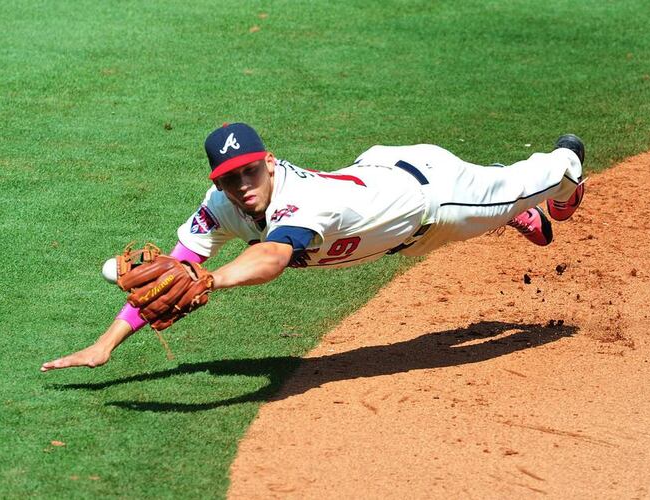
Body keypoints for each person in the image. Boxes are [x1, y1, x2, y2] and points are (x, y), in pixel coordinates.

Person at [41, 123, 585, 372]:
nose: (243, 185)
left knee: (534, 179)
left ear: (270, 162)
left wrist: (214, 279)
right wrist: (106, 344)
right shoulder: (223, 202)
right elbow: (174, 268)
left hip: (435, 199)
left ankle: (560, 181)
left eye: (250, 171)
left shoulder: (303, 204)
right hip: (384, 195)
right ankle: (517, 207)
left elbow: (273, 257)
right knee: (486, 208)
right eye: (230, 179)